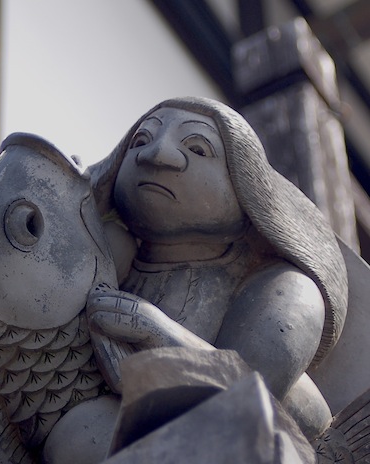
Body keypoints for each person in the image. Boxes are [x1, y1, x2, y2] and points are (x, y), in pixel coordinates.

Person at [85, 97, 347, 439]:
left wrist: (155, 332)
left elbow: (249, 392)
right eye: (141, 141)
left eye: (197, 148)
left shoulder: (285, 287)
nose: (156, 155)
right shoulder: (114, 253)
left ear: (245, 184)